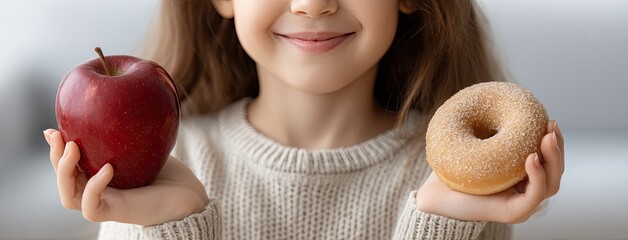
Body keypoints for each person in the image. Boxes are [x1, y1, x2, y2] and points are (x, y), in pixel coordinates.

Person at [43, 0, 565, 239]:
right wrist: (172, 223)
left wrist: (441, 222)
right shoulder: (165, 166)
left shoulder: (454, 185)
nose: (313, 5)